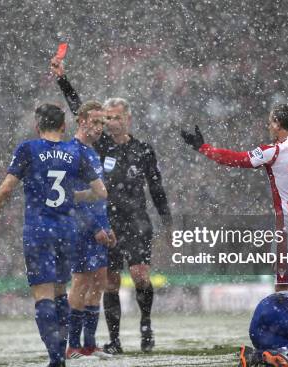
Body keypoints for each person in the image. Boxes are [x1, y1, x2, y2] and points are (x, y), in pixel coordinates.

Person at [51, 57, 173, 354]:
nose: (110, 123)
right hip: (109, 220)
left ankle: (146, 326)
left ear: (128, 118)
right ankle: (115, 340)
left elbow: (156, 187)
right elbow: (78, 107)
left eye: (116, 118)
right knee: (110, 282)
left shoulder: (143, 149)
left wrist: (167, 221)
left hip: (137, 220)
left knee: (141, 275)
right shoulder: (101, 145)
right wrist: (62, 79)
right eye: (107, 119)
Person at [0, 103, 107, 367]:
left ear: (37, 127)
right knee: (61, 291)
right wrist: (74, 196)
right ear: (63, 126)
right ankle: (61, 352)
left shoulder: (28, 149)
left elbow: (6, 189)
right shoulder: (76, 152)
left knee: (43, 296)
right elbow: (101, 192)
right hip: (66, 231)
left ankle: (55, 358)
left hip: (38, 231)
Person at [181, 105, 288, 295]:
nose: (268, 125)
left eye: (271, 121)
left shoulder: (275, 150)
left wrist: (204, 148)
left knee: (283, 290)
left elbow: (236, 158)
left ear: (278, 124)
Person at [65, 101, 117, 359]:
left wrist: (106, 225)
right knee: (81, 282)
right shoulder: (72, 152)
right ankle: (72, 345)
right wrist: (95, 226)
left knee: (99, 282)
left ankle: (89, 345)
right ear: (81, 121)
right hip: (80, 229)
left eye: (102, 123)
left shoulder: (93, 152)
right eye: (94, 122)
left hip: (98, 228)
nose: (98, 128)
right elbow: (73, 197)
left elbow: (98, 197)